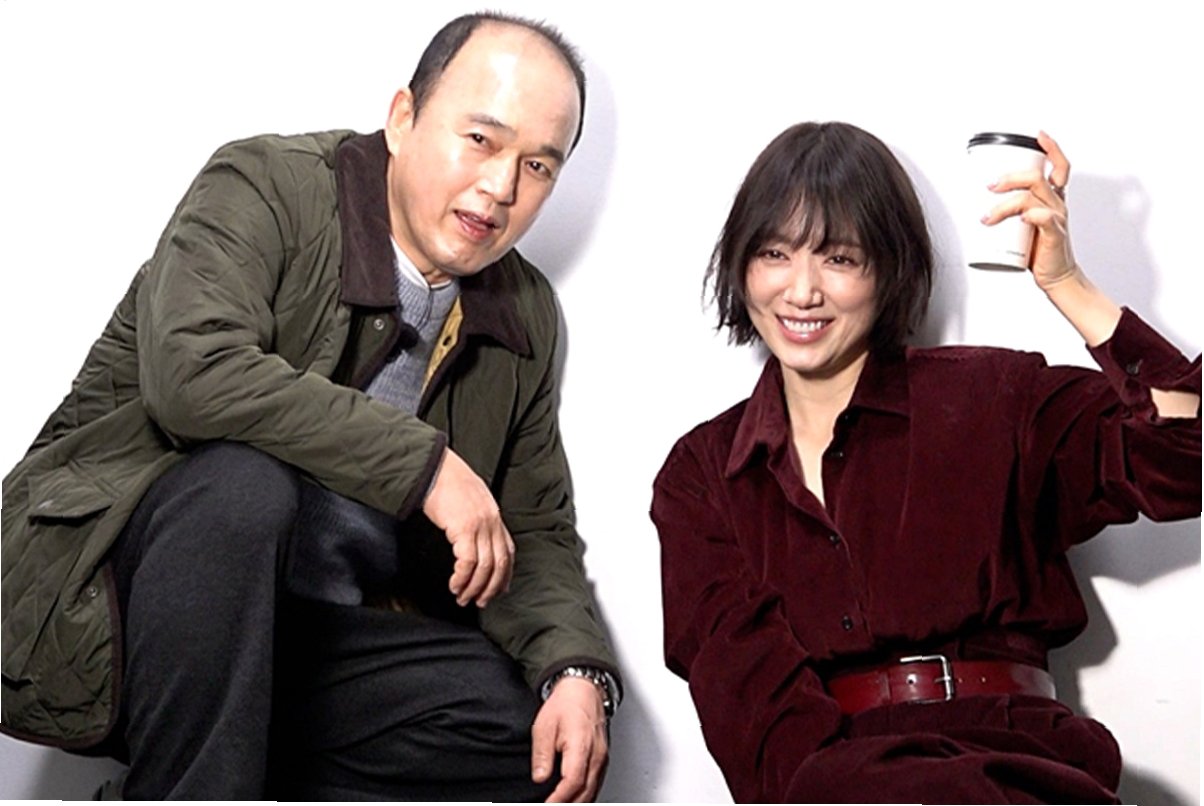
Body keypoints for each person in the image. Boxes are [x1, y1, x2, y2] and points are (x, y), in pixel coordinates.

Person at [1, 12, 620, 801]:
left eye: (537, 166)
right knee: (243, 487)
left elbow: (530, 528)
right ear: (403, 118)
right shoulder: (265, 185)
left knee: (525, 734)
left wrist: (574, 671)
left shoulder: (523, 311)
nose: (501, 188)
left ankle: (186, 784)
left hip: (308, 641)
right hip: (127, 603)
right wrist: (427, 468)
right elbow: (194, 373)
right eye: (480, 140)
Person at [650, 122, 1200, 803]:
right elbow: (748, 711)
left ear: (889, 269)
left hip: (1016, 768)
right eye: (774, 254)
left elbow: (1186, 458)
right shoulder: (703, 475)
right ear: (741, 266)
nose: (802, 291)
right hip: (836, 788)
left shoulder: (994, 398)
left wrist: (1067, 283)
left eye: (839, 258)